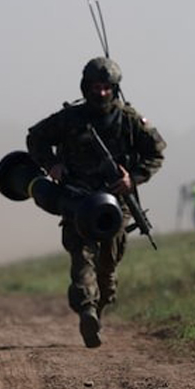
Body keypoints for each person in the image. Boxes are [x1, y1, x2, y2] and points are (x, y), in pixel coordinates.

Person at [26, 57, 166, 349]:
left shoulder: (129, 120)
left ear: (113, 89)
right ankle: (87, 310)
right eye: (95, 87)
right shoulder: (70, 119)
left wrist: (133, 179)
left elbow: (155, 153)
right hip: (77, 198)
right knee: (81, 257)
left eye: (106, 87)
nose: (100, 93)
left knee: (108, 264)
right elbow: (36, 137)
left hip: (116, 203)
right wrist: (51, 164)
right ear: (85, 87)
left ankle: (98, 307)